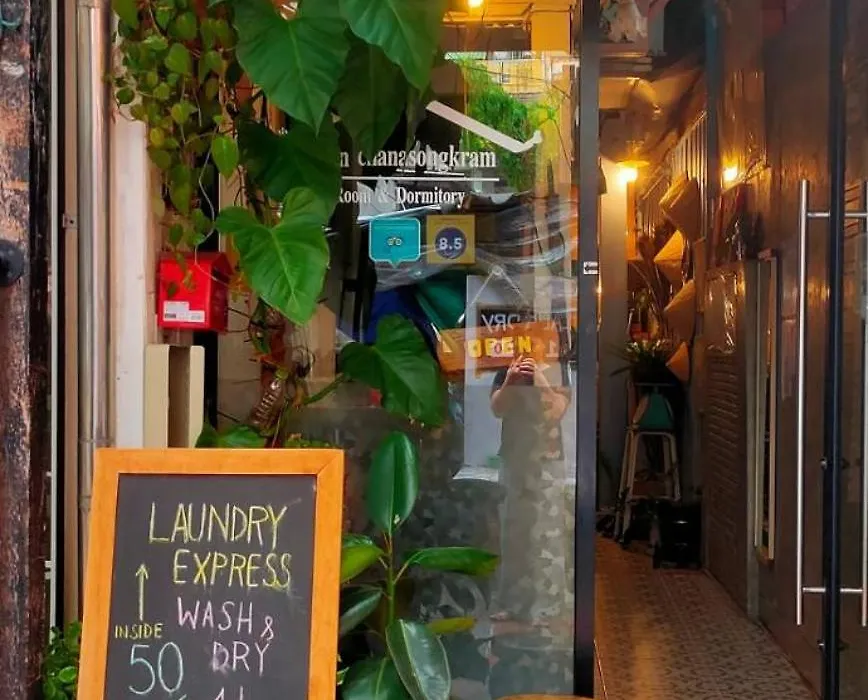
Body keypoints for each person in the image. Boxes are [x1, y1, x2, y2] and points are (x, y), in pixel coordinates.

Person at [489, 353, 572, 632]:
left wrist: (539, 380)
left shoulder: (557, 366)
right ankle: (514, 604)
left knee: (547, 534)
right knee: (514, 533)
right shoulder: (508, 363)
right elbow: (497, 408)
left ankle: (548, 606)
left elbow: (555, 411)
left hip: (547, 461)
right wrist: (511, 381)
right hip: (515, 458)